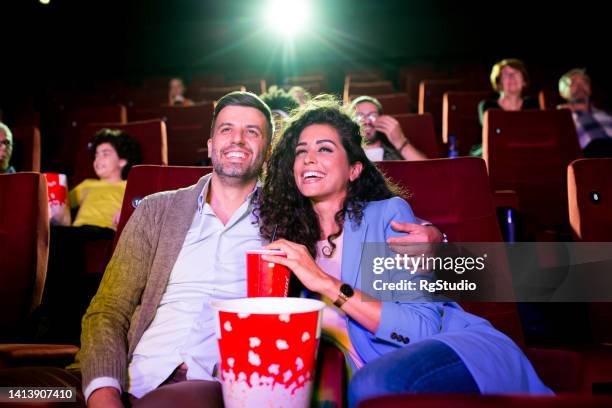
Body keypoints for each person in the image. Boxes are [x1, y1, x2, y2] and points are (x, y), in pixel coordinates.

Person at [0, 92, 441, 408]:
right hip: (102, 382)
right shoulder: (156, 211)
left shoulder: (294, 219)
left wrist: (441, 247)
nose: (237, 139)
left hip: (193, 385)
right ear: (210, 144)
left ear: (267, 152)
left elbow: (472, 279)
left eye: (253, 132)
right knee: (18, 393)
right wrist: (102, 392)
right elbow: (108, 312)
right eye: (226, 129)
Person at [255, 96, 552, 407]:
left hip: (450, 348)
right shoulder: (289, 238)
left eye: (325, 149)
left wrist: (326, 284)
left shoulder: (387, 216)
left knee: (374, 386)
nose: (309, 158)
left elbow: (420, 328)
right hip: (373, 370)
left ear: (354, 169)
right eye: (301, 151)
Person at [70, 128, 142, 230]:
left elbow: (142, 206)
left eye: (105, 154)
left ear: (122, 161)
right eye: (96, 155)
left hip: (107, 231)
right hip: (77, 230)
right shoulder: (86, 184)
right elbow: (61, 205)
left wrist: (127, 211)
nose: (98, 159)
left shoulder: (130, 186)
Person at [473, 58, 540, 156]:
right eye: (505, 74)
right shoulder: (487, 106)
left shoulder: (534, 104)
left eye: (516, 73)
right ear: (499, 83)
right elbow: (496, 137)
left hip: (525, 153)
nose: (511, 77)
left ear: (524, 81)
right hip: (492, 153)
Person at [350, 96, 427, 161]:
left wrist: (399, 141)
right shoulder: (346, 153)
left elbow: (427, 170)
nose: (366, 121)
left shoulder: (394, 153)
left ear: (381, 119)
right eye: (359, 116)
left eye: (372, 116)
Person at [558, 68, 612, 157]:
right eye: (573, 82)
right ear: (562, 92)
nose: (580, 86)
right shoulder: (560, 117)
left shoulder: (607, 113)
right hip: (589, 159)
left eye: (585, 82)